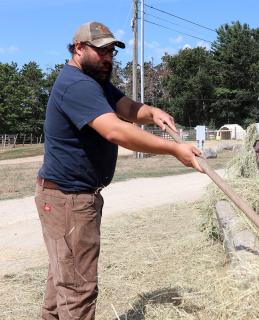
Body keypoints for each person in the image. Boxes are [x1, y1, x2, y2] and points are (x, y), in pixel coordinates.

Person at [35, 21, 203, 319]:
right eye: (101, 52)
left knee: (63, 281)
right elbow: (115, 130)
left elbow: (126, 108)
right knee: (77, 290)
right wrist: (174, 148)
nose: (108, 58)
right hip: (69, 200)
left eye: (112, 52)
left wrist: (152, 113)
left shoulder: (94, 81)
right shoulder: (77, 85)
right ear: (78, 49)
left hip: (68, 197)